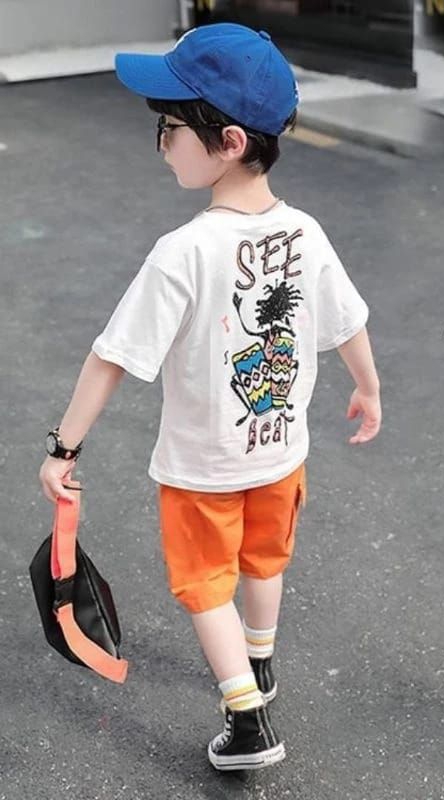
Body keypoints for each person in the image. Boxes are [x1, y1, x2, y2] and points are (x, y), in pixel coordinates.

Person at [38, 23, 381, 772]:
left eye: (168, 128)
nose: (162, 144)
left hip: (202, 470)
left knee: (204, 585)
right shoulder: (305, 232)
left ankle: (248, 719)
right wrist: (367, 384)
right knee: (264, 563)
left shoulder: (184, 251)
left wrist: (64, 447)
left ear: (227, 141)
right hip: (280, 454)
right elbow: (347, 320)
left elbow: (112, 356)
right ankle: (259, 663)